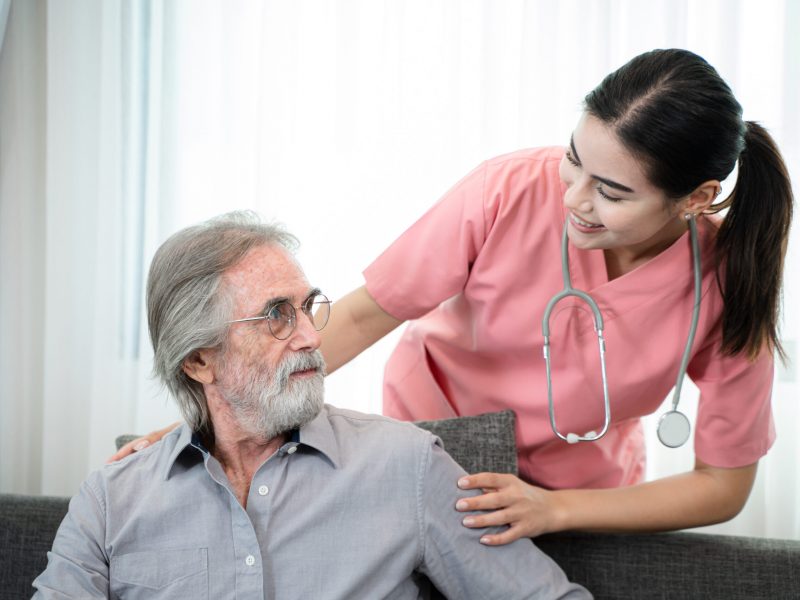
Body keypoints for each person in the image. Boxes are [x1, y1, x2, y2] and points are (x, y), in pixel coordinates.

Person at [113, 49, 794, 546]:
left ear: (696, 199)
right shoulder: (508, 191)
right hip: (437, 431)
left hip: (583, 486)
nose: (573, 200)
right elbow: (363, 313)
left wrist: (556, 511)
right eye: (574, 161)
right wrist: (212, 427)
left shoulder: (732, 281)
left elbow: (722, 486)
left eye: (612, 193)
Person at [35, 213, 589, 599]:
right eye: (276, 315)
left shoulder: (409, 466)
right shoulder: (111, 499)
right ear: (199, 362)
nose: (311, 337)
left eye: (307, 307)